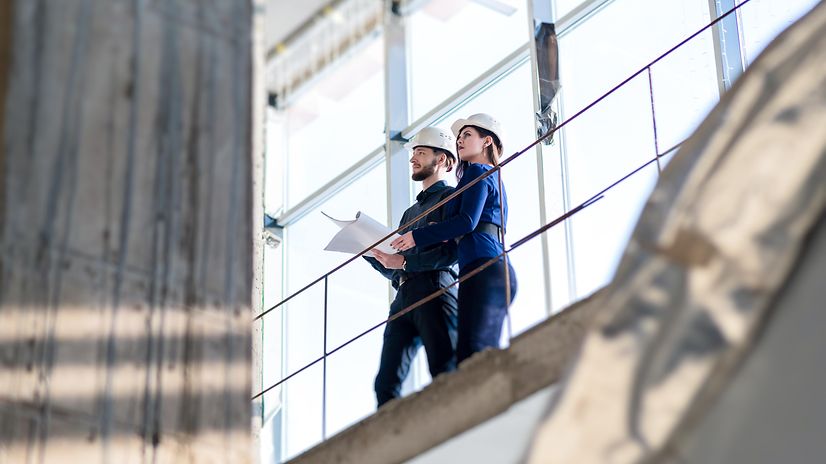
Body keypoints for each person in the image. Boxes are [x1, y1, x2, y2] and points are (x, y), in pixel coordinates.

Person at [390, 113, 517, 364]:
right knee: (470, 353)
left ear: (487, 142)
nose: (459, 140)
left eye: (467, 135)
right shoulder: (483, 177)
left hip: (485, 266)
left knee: (473, 352)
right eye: (459, 136)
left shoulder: (479, 171)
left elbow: (466, 222)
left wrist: (417, 236)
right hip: (481, 267)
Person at [365, 126, 460, 408]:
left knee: (445, 368)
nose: (413, 158)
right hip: (403, 296)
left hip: (434, 288)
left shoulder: (450, 199)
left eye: (420, 152)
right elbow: (397, 267)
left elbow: (451, 252)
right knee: (385, 384)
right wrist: (374, 255)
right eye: (413, 153)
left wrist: (405, 261)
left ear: (441, 159)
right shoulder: (410, 213)